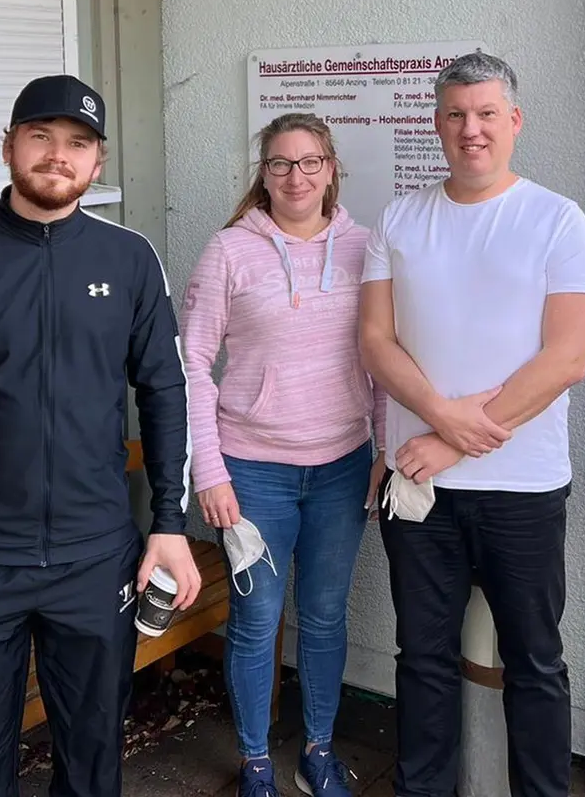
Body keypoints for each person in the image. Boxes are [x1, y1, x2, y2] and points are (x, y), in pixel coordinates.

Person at [0, 73, 200, 797]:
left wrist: (169, 525)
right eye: (41, 137)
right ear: (9, 147)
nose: (57, 155)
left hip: (96, 557)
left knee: (95, 757)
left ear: (97, 162)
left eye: (78, 143)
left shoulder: (128, 259)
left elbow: (165, 390)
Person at [358, 51, 585, 797]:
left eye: (487, 114)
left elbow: (565, 359)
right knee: (421, 657)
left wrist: (455, 435)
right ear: (437, 123)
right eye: (456, 115)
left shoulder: (557, 220)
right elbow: (375, 339)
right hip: (421, 487)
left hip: (522, 491)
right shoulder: (400, 218)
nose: (471, 129)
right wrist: (437, 422)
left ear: (514, 121)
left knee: (534, 660)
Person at [180, 113, 386, 797]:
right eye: (279, 164)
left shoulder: (365, 247)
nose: (295, 177)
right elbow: (192, 366)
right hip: (252, 472)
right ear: (262, 174)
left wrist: (384, 449)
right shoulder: (229, 251)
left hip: (342, 467)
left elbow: (382, 360)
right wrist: (209, 470)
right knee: (258, 619)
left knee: (326, 617)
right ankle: (256, 764)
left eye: (309, 163)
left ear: (331, 169)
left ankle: (319, 751)